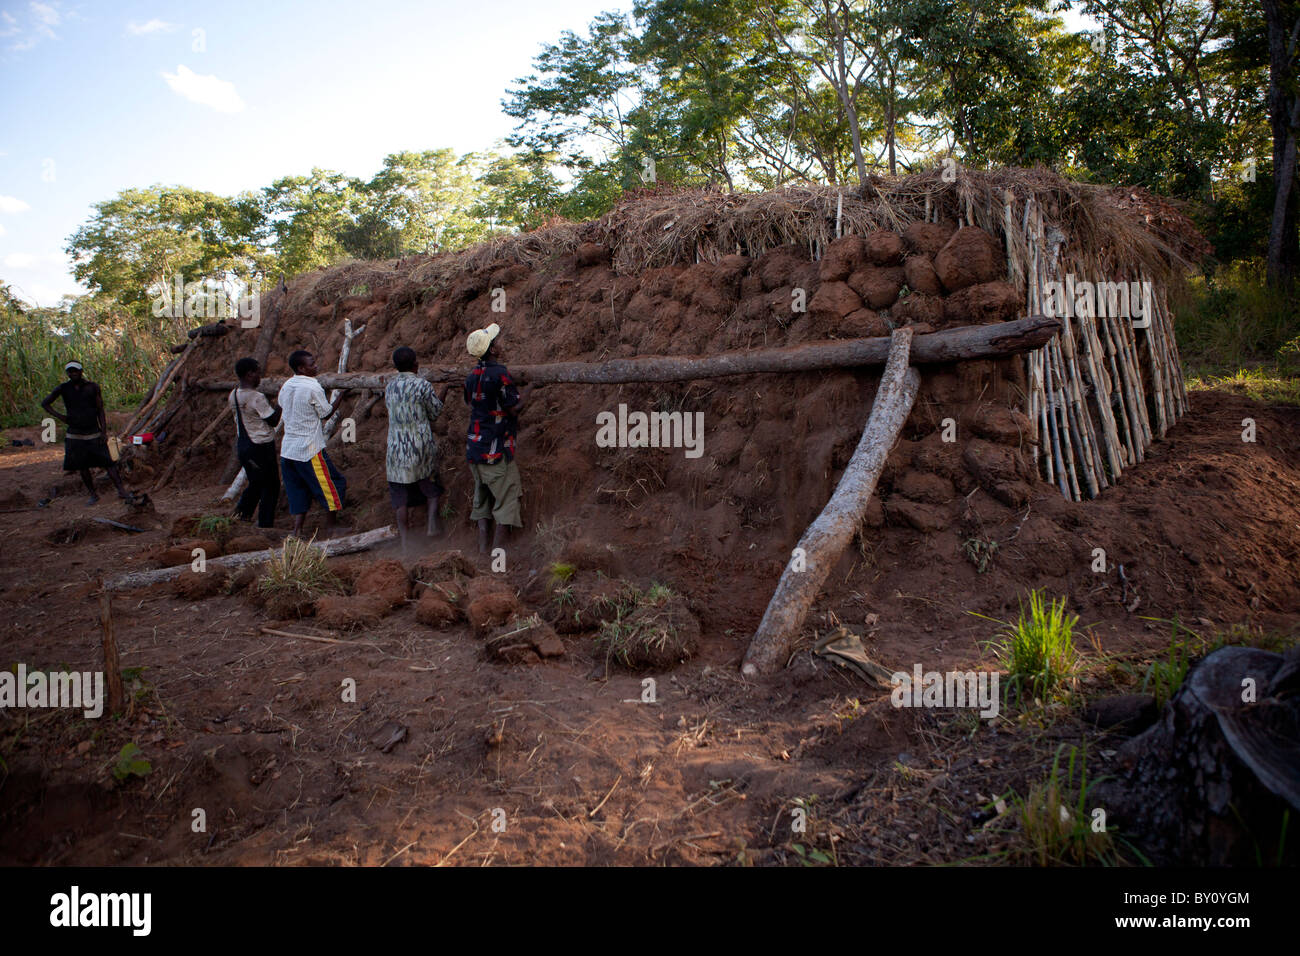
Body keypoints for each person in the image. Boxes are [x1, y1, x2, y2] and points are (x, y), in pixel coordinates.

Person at [464, 323, 538, 555]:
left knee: (482, 499)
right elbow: (514, 408)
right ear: (493, 350)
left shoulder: (471, 376)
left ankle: (483, 549)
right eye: (496, 342)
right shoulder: (500, 374)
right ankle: (497, 553)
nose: (500, 343)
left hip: (475, 448)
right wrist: (531, 388)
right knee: (507, 499)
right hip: (495, 450)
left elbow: (472, 403)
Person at [385, 347, 454, 552]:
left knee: (400, 497)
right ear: (416, 364)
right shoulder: (422, 385)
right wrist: (445, 390)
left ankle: (406, 542)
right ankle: (432, 524)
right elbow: (434, 413)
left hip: (396, 447)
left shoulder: (389, 387)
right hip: (419, 444)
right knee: (430, 485)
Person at [276, 349, 348, 538]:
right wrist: (341, 395)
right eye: (311, 364)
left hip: (287, 451)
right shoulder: (312, 387)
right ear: (301, 368)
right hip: (309, 449)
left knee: (298, 489)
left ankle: (297, 530)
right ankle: (331, 528)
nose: (316, 366)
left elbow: (283, 406)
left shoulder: (287, 385)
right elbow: (326, 413)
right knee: (333, 484)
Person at [41, 361, 130, 506]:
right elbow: (45, 403)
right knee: (82, 466)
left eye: (75, 371)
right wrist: (61, 417)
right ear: (67, 373)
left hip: (93, 432)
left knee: (108, 462)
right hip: (75, 435)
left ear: (81, 371)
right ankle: (93, 494)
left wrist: (103, 431)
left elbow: (100, 410)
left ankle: (121, 491)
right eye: (70, 371)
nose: (73, 374)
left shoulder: (92, 387)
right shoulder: (64, 388)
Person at [229, 357, 282, 529]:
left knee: (256, 482)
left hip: (244, 445)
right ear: (250, 374)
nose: (260, 376)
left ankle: (241, 514)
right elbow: (273, 420)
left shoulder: (234, 394)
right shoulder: (256, 397)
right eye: (258, 372)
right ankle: (265, 524)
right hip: (260, 445)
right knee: (271, 485)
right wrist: (281, 401)